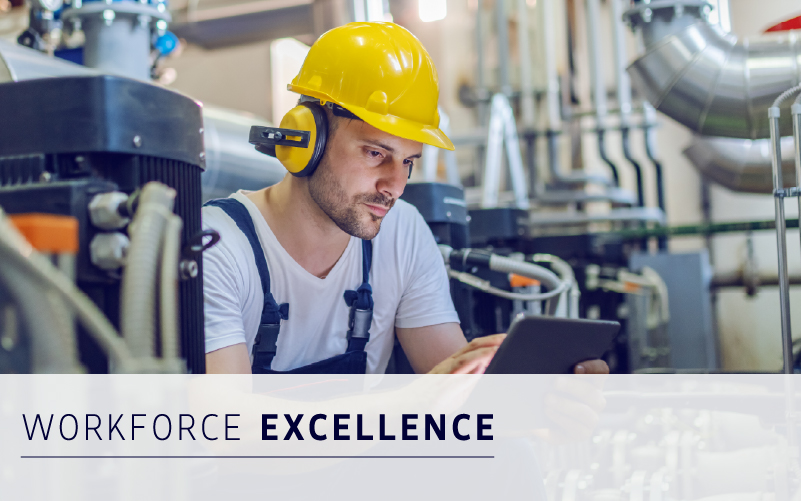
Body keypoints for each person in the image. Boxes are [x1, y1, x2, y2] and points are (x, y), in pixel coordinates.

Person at [201, 21, 609, 378]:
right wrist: (425, 396)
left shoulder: (402, 231)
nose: (395, 185)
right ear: (306, 139)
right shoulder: (216, 244)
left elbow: (454, 382)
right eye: (376, 153)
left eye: (409, 161)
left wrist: (540, 405)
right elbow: (230, 430)